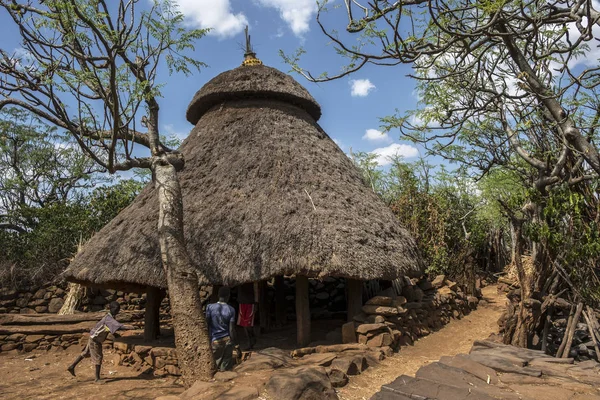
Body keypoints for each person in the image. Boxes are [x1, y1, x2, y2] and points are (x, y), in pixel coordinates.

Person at [67, 301, 133, 383]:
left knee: (85, 353)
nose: (117, 311)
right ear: (111, 309)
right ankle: (97, 378)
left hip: (93, 337)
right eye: (115, 309)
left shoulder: (110, 318)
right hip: (95, 340)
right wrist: (130, 327)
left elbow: (108, 328)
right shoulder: (109, 319)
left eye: (118, 309)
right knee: (98, 357)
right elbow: (118, 326)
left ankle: (72, 366)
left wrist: (115, 334)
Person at [206, 286, 238, 371]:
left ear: (218, 295)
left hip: (215, 341)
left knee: (214, 365)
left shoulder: (210, 307)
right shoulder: (231, 309)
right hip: (227, 340)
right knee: (225, 367)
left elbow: (207, 324)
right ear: (228, 296)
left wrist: (208, 339)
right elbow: (231, 330)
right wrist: (236, 345)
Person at [236, 282, 257, 349]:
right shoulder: (238, 278)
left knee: (248, 324)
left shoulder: (253, 280)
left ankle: (251, 339)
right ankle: (250, 341)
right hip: (242, 302)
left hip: (250, 303)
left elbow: (256, 290)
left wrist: (256, 302)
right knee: (243, 324)